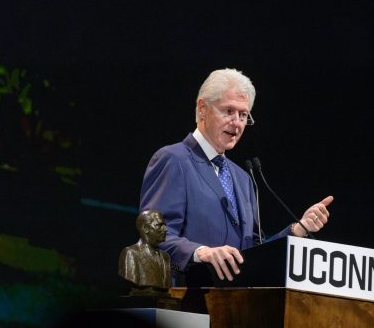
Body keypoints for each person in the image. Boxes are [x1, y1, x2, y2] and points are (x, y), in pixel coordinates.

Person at [140, 68, 333, 283]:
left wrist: (297, 229)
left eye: (243, 115)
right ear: (202, 109)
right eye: (228, 111)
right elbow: (155, 235)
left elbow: (253, 252)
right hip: (186, 301)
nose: (237, 123)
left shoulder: (243, 178)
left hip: (234, 304)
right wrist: (201, 252)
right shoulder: (174, 159)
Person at [118, 209, 172, 293]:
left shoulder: (166, 256)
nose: (165, 229)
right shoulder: (131, 253)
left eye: (164, 225)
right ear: (146, 228)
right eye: (159, 225)